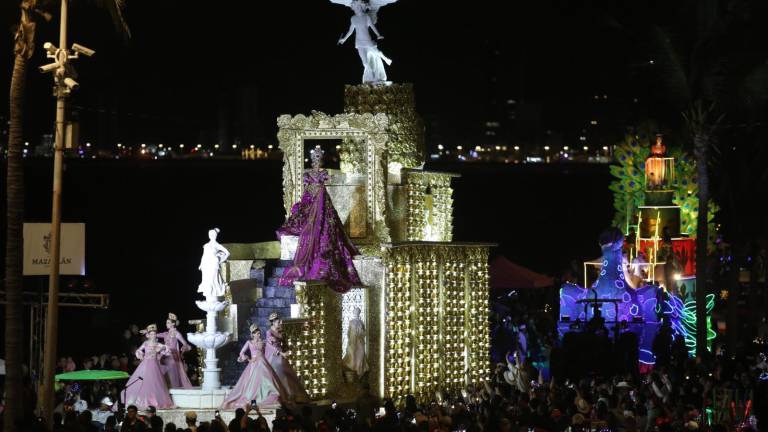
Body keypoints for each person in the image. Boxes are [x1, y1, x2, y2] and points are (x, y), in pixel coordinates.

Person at [277, 145, 362, 293]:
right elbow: (307, 191)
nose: (317, 162)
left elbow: (323, 182)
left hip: (322, 204)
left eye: (319, 159)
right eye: (315, 159)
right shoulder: (310, 175)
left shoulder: (321, 174)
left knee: (327, 224)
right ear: (312, 160)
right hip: (312, 203)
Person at [220, 325, 285, 409]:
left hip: (263, 362)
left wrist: (280, 352)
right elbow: (241, 353)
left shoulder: (263, 341)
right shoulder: (249, 342)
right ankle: (253, 400)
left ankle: (266, 397)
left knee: (267, 378)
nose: (259, 335)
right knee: (252, 383)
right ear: (253, 334)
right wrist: (247, 358)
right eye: (257, 334)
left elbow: (271, 347)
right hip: (254, 364)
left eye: (259, 333)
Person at [336, 0, 393, 83]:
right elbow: (350, 31)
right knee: (365, 64)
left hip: (367, 40)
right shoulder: (353, 18)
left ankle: (386, 59)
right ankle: (372, 78)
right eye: (353, 7)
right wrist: (344, 39)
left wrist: (378, 35)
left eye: (354, 7)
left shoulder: (366, 17)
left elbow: (372, 27)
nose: (353, 9)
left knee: (377, 52)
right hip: (359, 43)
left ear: (359, 6)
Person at [122, 324, 175, 409]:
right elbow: (139, 350)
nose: (153, 335)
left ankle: (154, 401)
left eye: (154, 334)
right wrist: (140, 355)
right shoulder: (146, 343)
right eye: (151, 334)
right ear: (148, 335)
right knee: (143, 381)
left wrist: (162, 349)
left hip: (154, 365)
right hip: (146, 364)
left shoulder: (157, 344)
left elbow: (167, 349)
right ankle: (144, 401)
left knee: (155, 382)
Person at [265, 313, 310, 403]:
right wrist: (281, 353)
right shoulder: (269, 332)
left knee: (288, 372)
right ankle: (284, 395)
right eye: (277, 321)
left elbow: (285, 343)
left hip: (281, 354)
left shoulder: (281, 331)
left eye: (279, 320)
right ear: (273, 322)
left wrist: (288, 351)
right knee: (280, 369)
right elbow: (270, 346)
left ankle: (292, 395)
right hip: (273, 355)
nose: (279, 322)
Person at [158, 312, 193, 388]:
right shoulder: (166, 333)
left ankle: (174, 389)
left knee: (172, 376)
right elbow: (157, 334)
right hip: (165, 355)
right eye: (166, 322)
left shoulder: (176, 333)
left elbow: (184, 342)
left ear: (173, 324)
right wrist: (148, 332)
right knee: (161, 371)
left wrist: (184, 347)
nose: (166, 324)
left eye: (168, 323)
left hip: (172, 356)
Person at [197, 228, 230, 299]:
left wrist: (221, 260)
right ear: (209, 235)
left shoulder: (216, 244)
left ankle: (215, 291)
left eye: (213, 234)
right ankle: (209, 293)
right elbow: (203, 255)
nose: (211, 235)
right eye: (210, 234)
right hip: (206, 264)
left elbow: (227, 253)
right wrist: (200, 264)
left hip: (214, 263)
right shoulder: (206, 245)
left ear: (215, 235)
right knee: (206, 279)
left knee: (213, 278)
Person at [342, 307, 368, 379]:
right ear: (354, 313)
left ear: (359, 313)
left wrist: (361, 333)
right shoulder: (351, 322)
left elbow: (364, 332)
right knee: (352, 354)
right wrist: (349, 340)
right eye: (355, 312)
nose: (356, 313)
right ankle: (353, 369)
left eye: (358, 312)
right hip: (353, 340)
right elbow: (348, 332)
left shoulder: (361, 322)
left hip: (359, 340)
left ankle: (359, 369)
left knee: (361, 353)